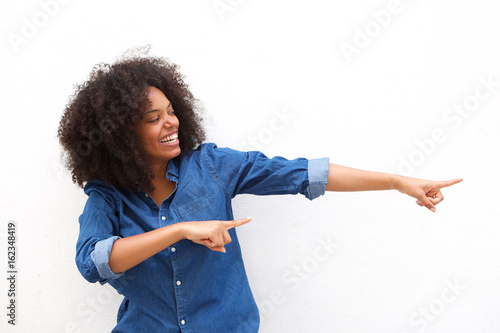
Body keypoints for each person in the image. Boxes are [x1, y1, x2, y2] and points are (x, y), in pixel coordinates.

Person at [57, 55, 462, 332]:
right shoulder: (108, 196)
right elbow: (93, 262)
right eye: (153, 119)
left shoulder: (212, 166)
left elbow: (303, 173)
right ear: (121, 135)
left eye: (172, 111)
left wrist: (396, 181)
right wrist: (179, 230)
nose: (171, 123)